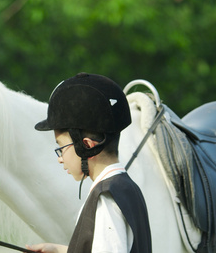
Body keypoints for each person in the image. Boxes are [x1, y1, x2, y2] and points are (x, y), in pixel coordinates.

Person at [26, 73, 152, 253]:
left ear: (87, 146)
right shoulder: (127, 188)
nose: (60, 157)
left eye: (61, 147)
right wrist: (59, 250)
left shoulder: (106, 198)